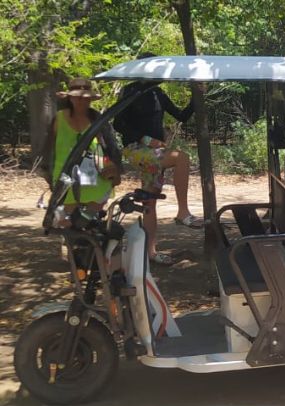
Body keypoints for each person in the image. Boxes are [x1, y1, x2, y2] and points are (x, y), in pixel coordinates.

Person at [114, 53, 200, 265]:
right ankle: (183, 212)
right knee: (181, 158)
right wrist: (146, 139)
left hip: (154, 154)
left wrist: (197, 96)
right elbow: (118, 124)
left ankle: (151, 253)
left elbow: (181, 116)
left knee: (149, 202)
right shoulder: (131, 91)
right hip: (136, 149)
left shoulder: (158, 93)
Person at [48, 77, 122, 214]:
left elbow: (109, 147)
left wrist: (116, 170)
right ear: (70, 98)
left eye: (86, 98)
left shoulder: (97, 119)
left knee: (88, 219)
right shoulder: (59, 118)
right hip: (65, 176)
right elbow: (49, 148)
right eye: (77, 97)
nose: (81, 101)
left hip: (94, 176)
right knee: (66, 220)